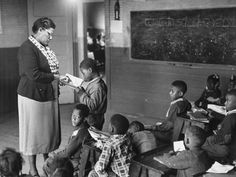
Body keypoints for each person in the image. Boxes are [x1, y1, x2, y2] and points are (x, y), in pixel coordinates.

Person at [17, 17, 65, 177]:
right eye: (49, 34)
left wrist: (57, 79)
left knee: (46, 133)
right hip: (32, 96)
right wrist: (55, 77)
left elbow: (50, 70)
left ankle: (47, 164)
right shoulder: (27, 48)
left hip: (46, 94)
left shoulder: (44, 47)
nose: (51, 38)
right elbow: (34, 74)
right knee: (33, 134)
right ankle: (33, 169)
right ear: (39, 31)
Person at [202, 89, 236, 162]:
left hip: (228, 150)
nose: (225, 103)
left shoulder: (231, 118)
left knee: (199, 146)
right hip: (229, 146)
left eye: (228, 101)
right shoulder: (231, 115)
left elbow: (226, 139)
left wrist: (212, 140)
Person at [53, 104, 90, 169]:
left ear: (84, 119)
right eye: (73, 115)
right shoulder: (84, 128)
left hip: (76, 162)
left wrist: (55, 155)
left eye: (77, 117)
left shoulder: (81, 132)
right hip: (76, 159)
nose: (73, 118)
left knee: (48, 163)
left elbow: (67, 153)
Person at [76, 58, 107, 130]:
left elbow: (92, 106)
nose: (83, 77)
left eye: (84, 73)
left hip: (94, 119)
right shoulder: (95, 84)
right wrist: (83, 91)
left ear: (90, 70)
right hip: (91, 117)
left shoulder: (97, 87)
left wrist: (81, 94)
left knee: (92, 137)